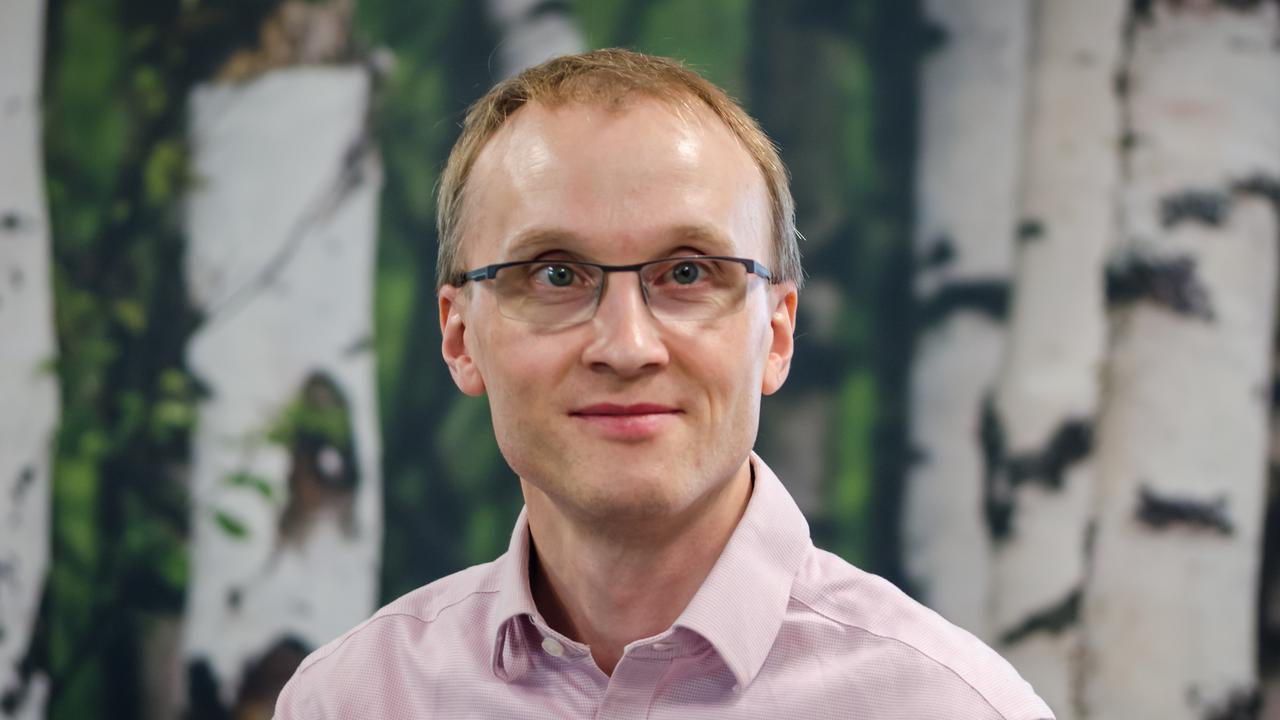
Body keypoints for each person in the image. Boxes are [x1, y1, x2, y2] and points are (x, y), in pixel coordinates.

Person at [274, 48, 1054, 719]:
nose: (627, 345)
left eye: (687, 273)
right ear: (459, 335)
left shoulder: (949, 706)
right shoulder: (352, 700)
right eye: (555, 274)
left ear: (776, 333)